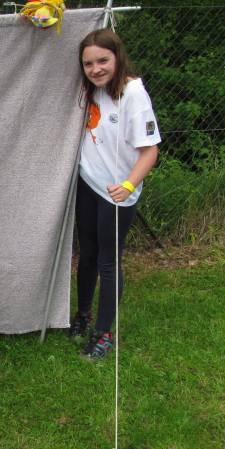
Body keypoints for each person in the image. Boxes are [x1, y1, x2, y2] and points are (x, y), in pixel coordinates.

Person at [70, 28, 161, 359]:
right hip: (89, 183)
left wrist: (128, 185)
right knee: (87, 255)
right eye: (88, 64)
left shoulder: (134, 94)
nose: (96, 69)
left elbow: (150, 150)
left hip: (117, 193)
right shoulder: (95, 89)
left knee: (108, 262)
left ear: (118, 57)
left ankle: (103, 333)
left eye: (103, 61)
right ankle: (83, 315)